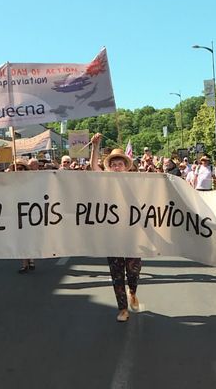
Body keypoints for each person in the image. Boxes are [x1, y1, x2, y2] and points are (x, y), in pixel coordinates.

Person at [90, 133, 141, 322]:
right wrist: (95, 147)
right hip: (112, 234)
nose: (116, 166)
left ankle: (133, 291)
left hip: (134, 233)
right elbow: (94, 167)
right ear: (110, 166)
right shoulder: (106, 180)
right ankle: (122, 309)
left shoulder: (138, 181)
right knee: (116, 272)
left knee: (133, 269)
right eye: (113, 164)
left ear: (125, 167)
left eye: (119, 164)